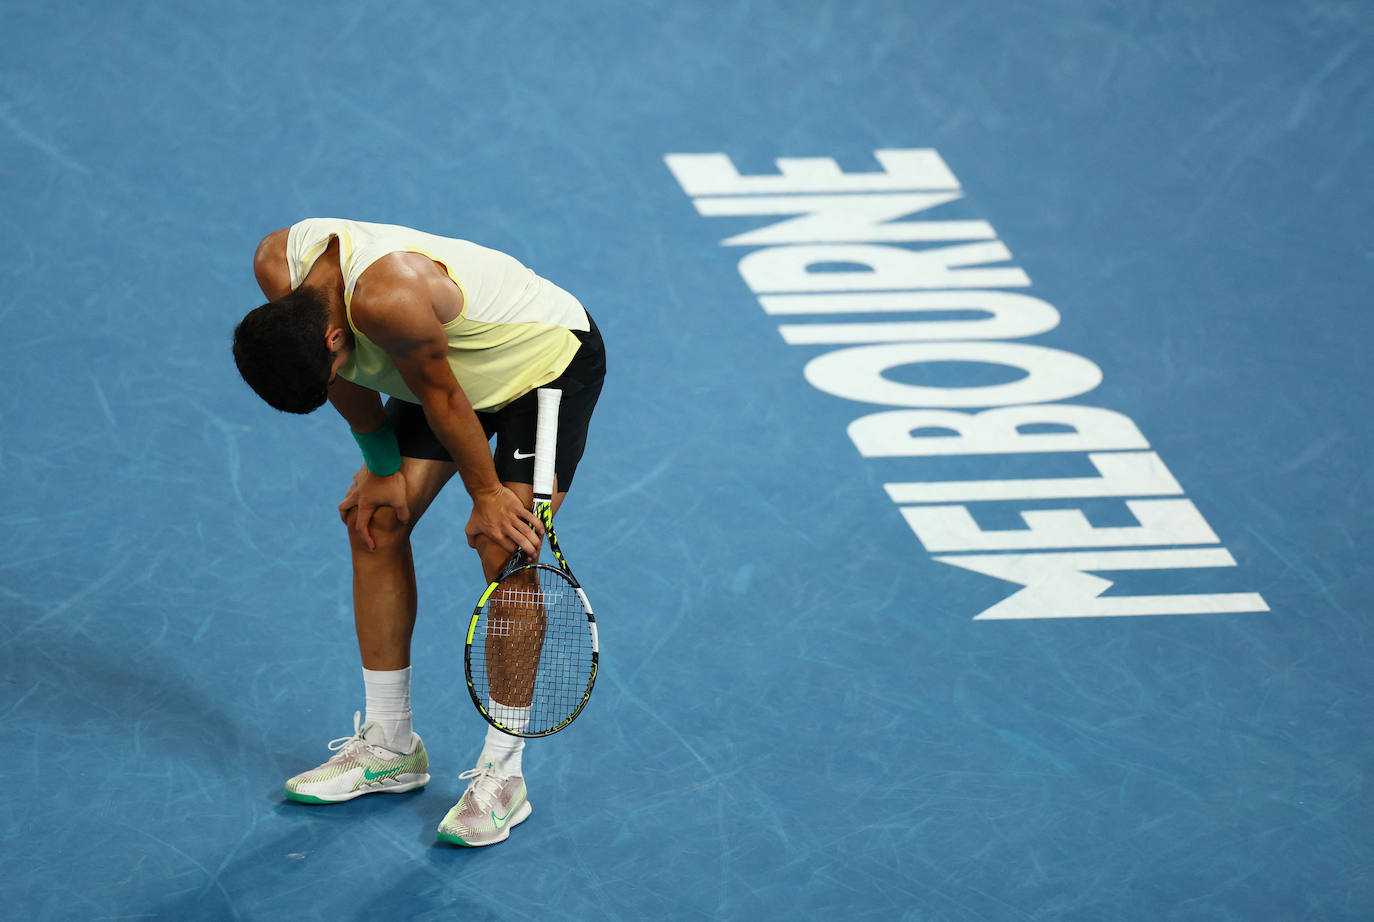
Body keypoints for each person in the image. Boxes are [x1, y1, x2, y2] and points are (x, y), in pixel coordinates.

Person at [233, 218, 606, 846]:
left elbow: (441, 396)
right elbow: (349, 378)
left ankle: (502, 777)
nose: (334, 383)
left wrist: (487, 495)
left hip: (540, 365)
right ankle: (389, 744)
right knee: (376, 520)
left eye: (327, 373)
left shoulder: (389, 301)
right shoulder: (278, 266)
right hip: (441, 366)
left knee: (505, 547)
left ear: (331, 334)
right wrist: (381, 468)